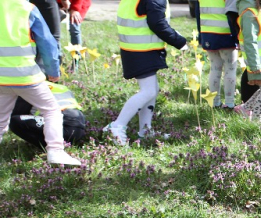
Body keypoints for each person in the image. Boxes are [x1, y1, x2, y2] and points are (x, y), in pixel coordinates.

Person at [0, 0, 80, 166]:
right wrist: (53, 71)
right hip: (26, 76)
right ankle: (56, 151)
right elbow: (47, 42)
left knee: (1, 118)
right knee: (51, 111)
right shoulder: (28, 9)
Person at [104, 0, 187, 145]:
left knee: (152, 90)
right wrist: (179, 41)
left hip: (134, 48)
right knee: (148, 91)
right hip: (143, 50)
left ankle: (145, 130)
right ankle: (117, 126)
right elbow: (157, 23)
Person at [9, 82, 86, 148]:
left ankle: (51, 149)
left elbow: (12, 115)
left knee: (13, 121)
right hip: (79, 129)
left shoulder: (27, 88)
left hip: (63, 125)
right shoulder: (58, 87)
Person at [197, 0, 239, 110]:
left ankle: (215, 102)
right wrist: (236, 36)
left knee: (214, 68)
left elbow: (198, 13)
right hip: (226, 33)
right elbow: (232, 12)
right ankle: (229, 103)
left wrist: (200, 35)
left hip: (208, 33)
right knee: (230, 68)